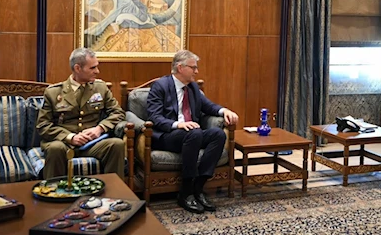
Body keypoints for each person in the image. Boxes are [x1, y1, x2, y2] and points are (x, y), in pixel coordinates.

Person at [147, 50, 239, 214]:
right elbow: (154, 117)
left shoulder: (193, 87)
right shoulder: (160, 86)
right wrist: (178, 124)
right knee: (195, 132)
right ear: (180, 68)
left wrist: (225, 110)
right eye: (193, 67)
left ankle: (198, 187)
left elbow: (208, 106)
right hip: (168, 136)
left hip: (191, 135)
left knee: (218, 134)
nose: (196, 71)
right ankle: (186, 191)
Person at [36, 48, 126, 180]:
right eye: (92, 68)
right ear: (77, 68)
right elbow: (43, 125)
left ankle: (113, 196)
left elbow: (118, 112)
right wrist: (70, 137)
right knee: (55, 148)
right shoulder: (54, 93)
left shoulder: (100, 88)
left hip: (92, 144)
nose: (97, 71)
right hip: (64, 144)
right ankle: (55, 195)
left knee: (116, 144)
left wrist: (99, 129)